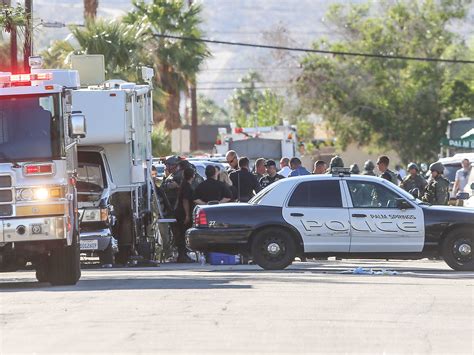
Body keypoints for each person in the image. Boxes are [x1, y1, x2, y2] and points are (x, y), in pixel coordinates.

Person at [174, 168, 195, 263]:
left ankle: (182, 255)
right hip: (183, 213)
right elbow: (185, 201)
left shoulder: (184, 185)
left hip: (179, 212)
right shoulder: (187, 186)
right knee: (183, 234)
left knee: (182, 234)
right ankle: (182, 255)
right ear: (193, 176)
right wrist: (187, 215)